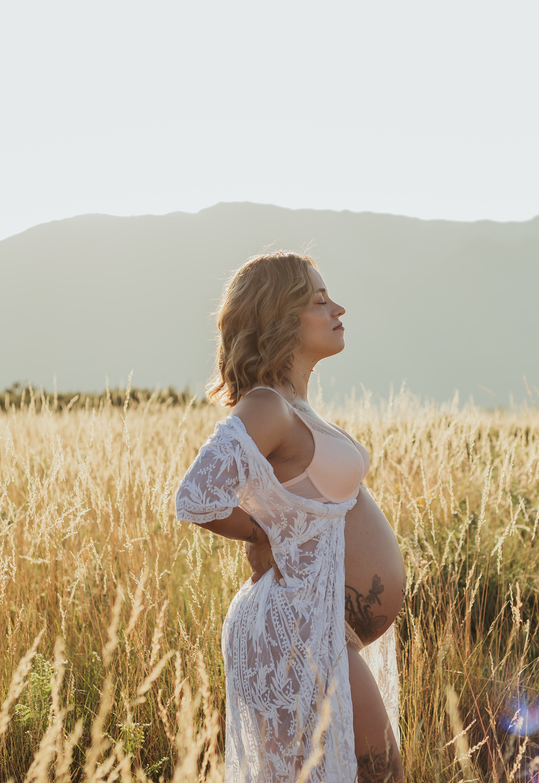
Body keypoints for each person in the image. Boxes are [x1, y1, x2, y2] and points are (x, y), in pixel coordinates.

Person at [174, 252, 405, 782]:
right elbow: (196, 496)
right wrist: (264, 533)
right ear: (279, 318)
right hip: (294, 630)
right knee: (379, 775)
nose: (338, 309)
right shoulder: (267, 406)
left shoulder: (293, 406)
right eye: (319, 301)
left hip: (316, 627)